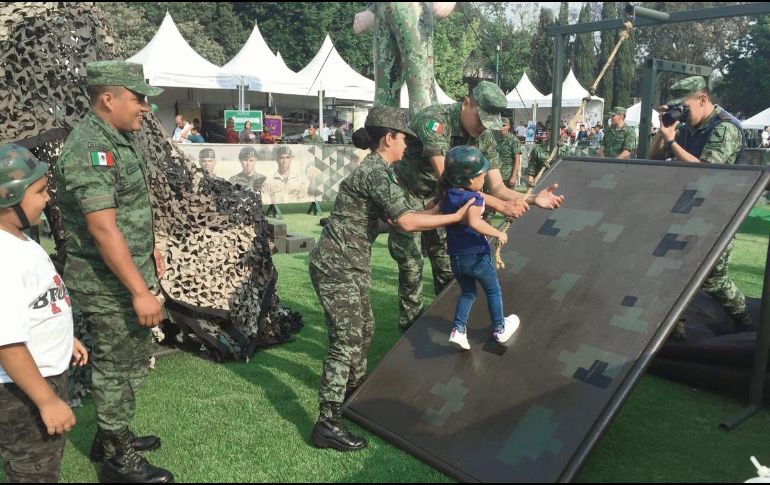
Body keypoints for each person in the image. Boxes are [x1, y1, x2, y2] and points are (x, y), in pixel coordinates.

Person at [308, 107, 475, 452]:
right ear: (388, 139)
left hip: (348, 264)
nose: (407, 149)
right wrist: (454, 217)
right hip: (336, 266)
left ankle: (354, 395)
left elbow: (403, 216)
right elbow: (407, 223)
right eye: (404, 141)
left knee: (364, 329)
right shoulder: (376, 172)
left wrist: (440, 209)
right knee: (346, 340)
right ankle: (327, 423)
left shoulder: (381, 170)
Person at [52, 60, 173, 483]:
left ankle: (111, 436)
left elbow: (126, 211)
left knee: (128, 361)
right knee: (115, 368)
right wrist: (140, 291)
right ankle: (118, 461)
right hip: (108, 285)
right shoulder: (91, 148)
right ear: (109, 98)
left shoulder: (116, 138)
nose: (145, 107)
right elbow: (102, 228)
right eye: (138, 98)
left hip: (125, 273)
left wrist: (150, 248)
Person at [389, 81, 564, 332]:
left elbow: (498, 188)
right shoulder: (434, 121)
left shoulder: (484, 139)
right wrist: (502, 207)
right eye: (481, 119)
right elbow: (450, 185)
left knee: (450, 276)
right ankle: (408, 343)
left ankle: (450, 334)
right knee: (412, 271)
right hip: (412, 203)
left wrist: (533, 199)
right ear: (467, 103)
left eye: (490, 122)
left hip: (448, 209)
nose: (483, 127)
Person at [0, 144, 89, 483]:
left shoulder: (21, 239)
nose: (47, 198)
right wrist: (46, 400)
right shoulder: (4, 259)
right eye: (38, 191)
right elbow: (7, 343)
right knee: (33, 469)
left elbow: (37, 305)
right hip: (22, 389)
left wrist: (65, 338)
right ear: (9, 198)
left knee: (44, 460)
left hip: (41, 373)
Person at [649, 75, 752, 338]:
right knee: (671, 269)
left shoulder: (725, 127)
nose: (681, 115)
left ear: (703, 99)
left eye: (684, 108)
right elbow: (653, 159)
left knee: (714, 280)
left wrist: (673, 143)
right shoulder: (687, 129)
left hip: (720, 212)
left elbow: (706, 171)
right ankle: (675, 332)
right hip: (688, 207)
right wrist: (664, 133)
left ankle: (749, 322)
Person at [439, 146, 519, 350]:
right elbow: (474, 222)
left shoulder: (448, 195)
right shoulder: (474, 198)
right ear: (469, 180)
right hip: (476, 256)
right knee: (493, 290)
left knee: (468, 293)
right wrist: (498, 233)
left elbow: (432, 212)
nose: (484, 179)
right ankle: (500, 329)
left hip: (456, 258)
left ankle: (458, 330)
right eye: (482, 175)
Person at [355, 3, 455, 115]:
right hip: (382, 12)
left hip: (414, 10)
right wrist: (371, 9)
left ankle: (427, 129)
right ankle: (384, 131)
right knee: (384, 96)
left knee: (421, 91)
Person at [495, 117, 522, 188]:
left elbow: (517, 159)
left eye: (504, 125)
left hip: (507, 176)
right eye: (500, 125)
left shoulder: (513, 140)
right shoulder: (495, 139)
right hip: (495, 175)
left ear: (508, 126)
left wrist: (513, 176)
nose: (502, 128)